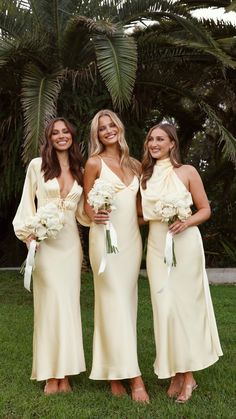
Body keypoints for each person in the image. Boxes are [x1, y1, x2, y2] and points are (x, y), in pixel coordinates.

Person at [140, 122, 223, 403]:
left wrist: (185, 221)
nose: (154, 144)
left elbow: (205, 210)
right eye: (151, 139)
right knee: (164, 310)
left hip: (185, 246)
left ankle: (188, 378)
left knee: (184, 309)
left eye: (160, 139)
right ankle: (177, 372)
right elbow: (140, 215)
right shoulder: (144, 176)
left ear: (172, 143)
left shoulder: (187, 172)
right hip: (155, 247)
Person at [13, 117, 86, 394]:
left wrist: (101, 212)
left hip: (70, 246)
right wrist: (28, 235)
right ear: (49, 137)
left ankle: (64, 375)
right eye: (55, 133)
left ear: (72, 135)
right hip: (44, 246)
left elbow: (81, 213)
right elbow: (26, 203)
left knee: (68, 306)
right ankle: (49, 375)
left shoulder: (80, 168)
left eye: (65, 131)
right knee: (48, 307)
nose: (61, 136)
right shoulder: (37, 166)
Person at [83, 109, 149, 403]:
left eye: (111, 125)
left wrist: (166, 215)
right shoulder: (93, 163)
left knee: (125, 305)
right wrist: (93, 214)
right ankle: (135, 378)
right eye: (102, 128)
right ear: (96, 135)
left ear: (119, 128)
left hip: (132, 243)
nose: (108, 130)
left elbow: (138, 211)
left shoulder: (135, 165)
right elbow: (86, 204)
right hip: (104, 241)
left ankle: (112, 373)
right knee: (114, 302)